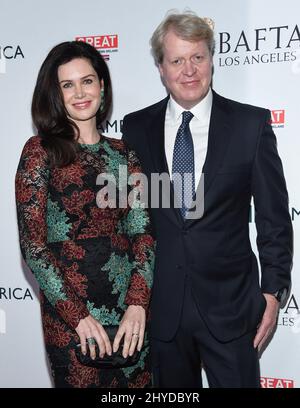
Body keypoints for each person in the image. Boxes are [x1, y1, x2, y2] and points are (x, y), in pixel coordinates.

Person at [122, 11, 293, 387]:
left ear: (212, 59)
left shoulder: (251, 125)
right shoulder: (135, 128)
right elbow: (130, 220)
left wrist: (273, 293)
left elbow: (274, 220)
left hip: (233, 311)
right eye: (177, 60)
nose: (189, 70)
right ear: (160, 68)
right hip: (162, 313)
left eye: (197, 57)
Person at [15, 41, 155, 388]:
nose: (80, 92)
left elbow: (143, 233)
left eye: (87, 81)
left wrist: (138, 305)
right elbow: (33, 246)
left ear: (102, 86)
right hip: (71, 319)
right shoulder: (40, 152)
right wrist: (78, 317)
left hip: (130, 317)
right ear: (55, 94)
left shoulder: (125, 154)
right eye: (67, 84)